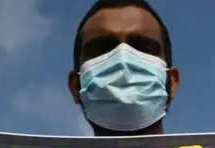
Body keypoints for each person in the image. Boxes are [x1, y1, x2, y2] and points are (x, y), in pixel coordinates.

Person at [68, 0, 180, 137]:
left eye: (143, 48)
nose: (123, 60)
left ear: (172, 82)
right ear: (75, 86)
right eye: (101, 50)